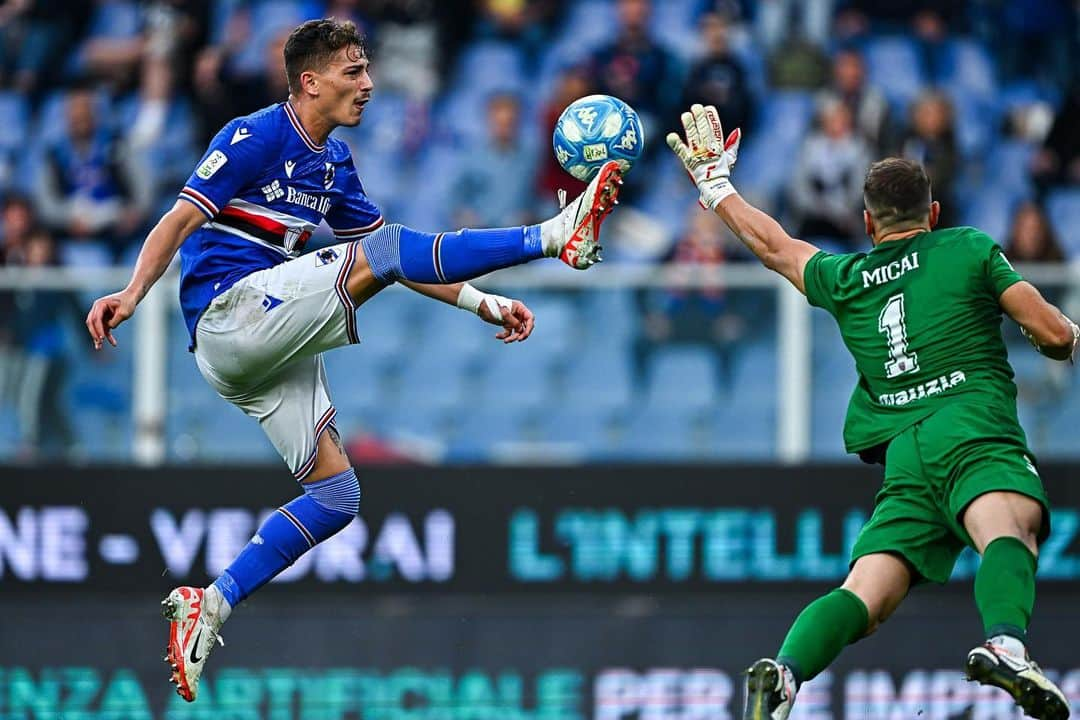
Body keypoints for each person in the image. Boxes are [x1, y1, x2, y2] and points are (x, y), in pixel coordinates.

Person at [84, 18, 623, 703]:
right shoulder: (254, 135)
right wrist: (133, 293)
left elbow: (396, 260)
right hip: (231, 315)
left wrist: (485, 304)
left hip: (263, 344)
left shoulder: (334, 164)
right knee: (390, 247)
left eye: (367, 71)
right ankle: (553, 234)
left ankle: (212, 602)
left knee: (338, 496)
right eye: (353, 72)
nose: (369, 85)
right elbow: (179, 219)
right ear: (310, 82)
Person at [668, 104, 1077, 720]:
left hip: (906, 455)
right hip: (971, 427)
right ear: (933, 214)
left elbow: (775, 247)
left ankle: (784, 673)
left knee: (865, 592)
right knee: (1010, 530)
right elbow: (1048, 330)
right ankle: (1007, 644)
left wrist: (717, 186)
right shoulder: (967, 247)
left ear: (867, 222)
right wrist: (1068, 338)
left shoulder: (848, 277)